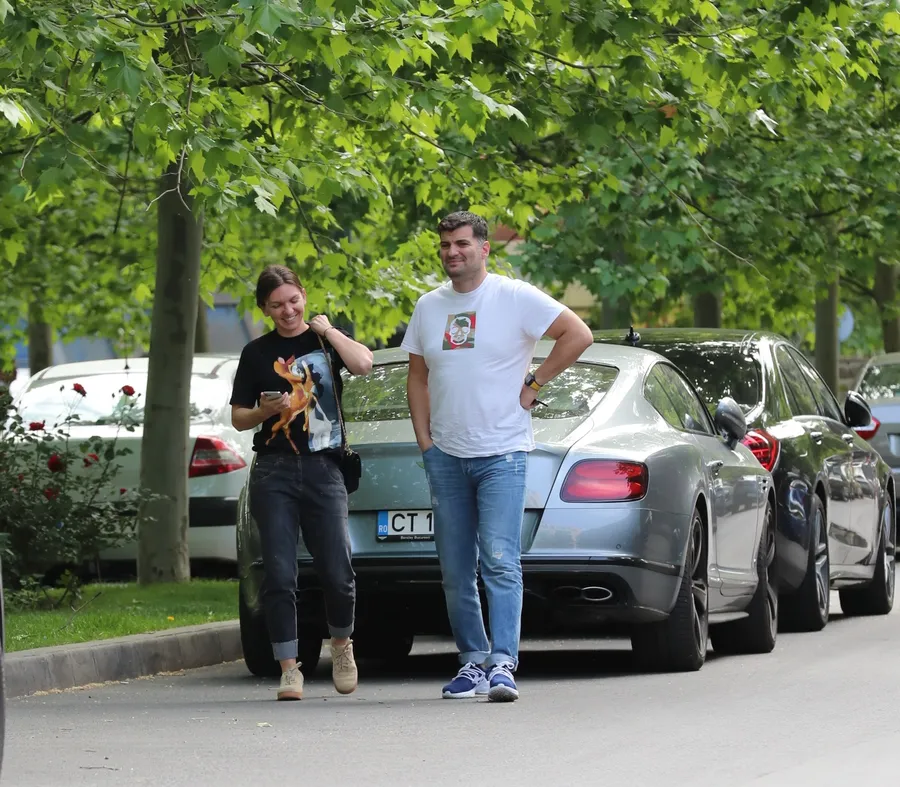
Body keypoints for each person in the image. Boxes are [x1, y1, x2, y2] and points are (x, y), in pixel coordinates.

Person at [401, 211, 593, 702]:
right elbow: (418, 378)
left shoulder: (514, 296)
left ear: (484, 249)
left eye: (462, 244)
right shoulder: (428, 306)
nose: (452, 252)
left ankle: (503, 664)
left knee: (501, 561)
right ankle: (472, 662)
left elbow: (578, 334)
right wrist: (425, 442)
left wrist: (534, 383)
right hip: (446, 455)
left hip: (502, 454)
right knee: (455, 568)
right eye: (445, 245)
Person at [230, 264, 373, 701]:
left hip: (324, 468)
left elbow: (363, 364)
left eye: (293, 301)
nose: (288, 310)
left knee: (337, 569)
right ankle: (289, 669)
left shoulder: (326, 342)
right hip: (274, 470)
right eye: (277, 305)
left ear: (304, 296)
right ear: (264, 309)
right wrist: (265, 412)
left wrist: (328, 331)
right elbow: (239, 418)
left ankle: (342, 645)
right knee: (279, 573)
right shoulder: (256, 353)